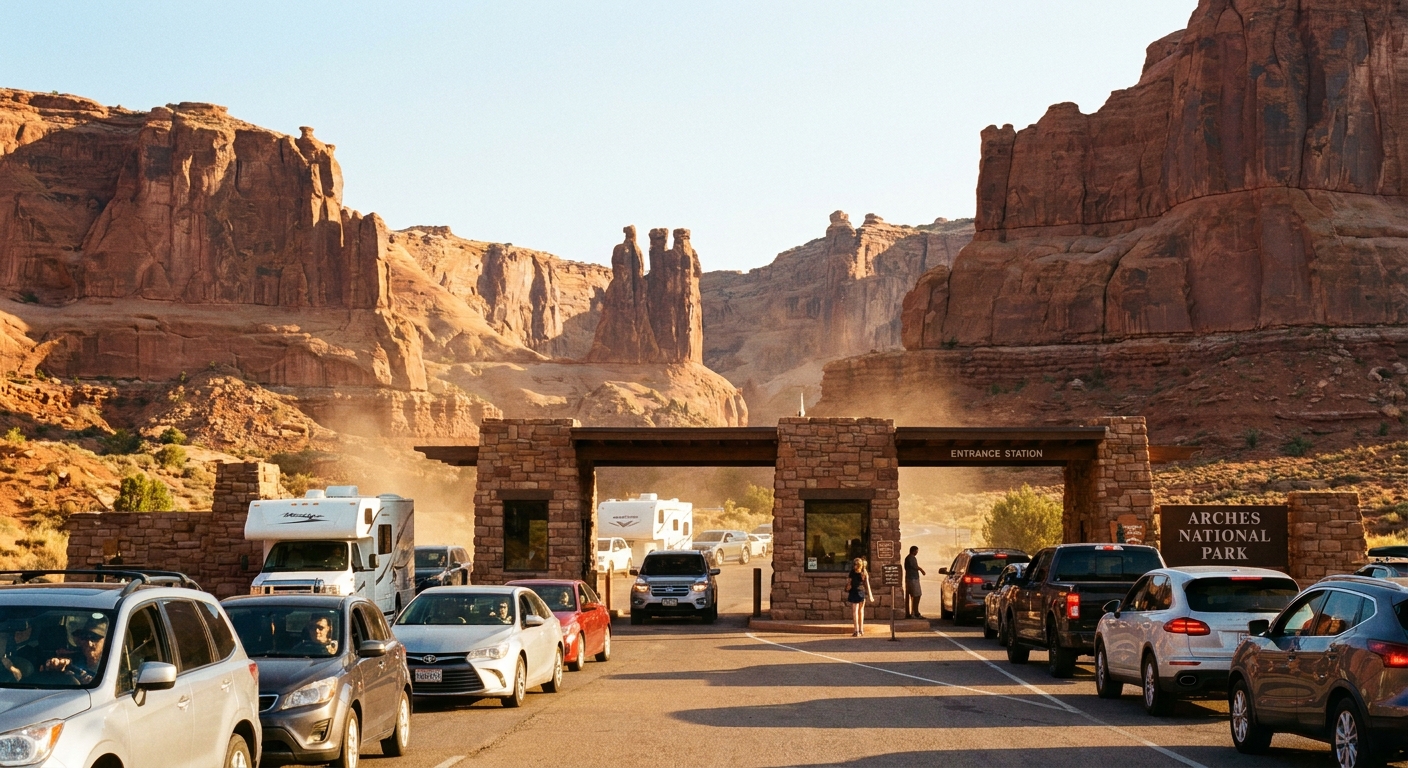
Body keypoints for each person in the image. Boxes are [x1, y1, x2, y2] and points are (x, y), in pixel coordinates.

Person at [39, 615, 108, 685]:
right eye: (85, 637)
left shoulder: (112, 664)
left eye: (95, 638)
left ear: (107, 641)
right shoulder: (74, 660)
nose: (89, 643)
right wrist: (56, 667)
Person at [847, 558, 874, 637]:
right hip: (857, 592)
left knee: (857, 611)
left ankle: (858, 630)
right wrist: (870, 595)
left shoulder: (859, 572)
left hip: (858, 592)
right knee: (858, 611)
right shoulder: (861, 572)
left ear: (858, 565)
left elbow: (867, 584)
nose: (854, 566)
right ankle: (859, 630)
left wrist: (870, 595)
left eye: (855, 564)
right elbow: (867, 584)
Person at [904, 546, 927, 619]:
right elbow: (915, 566)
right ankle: (915, 612)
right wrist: (921, 570)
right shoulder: (911, 558)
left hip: (912, 578)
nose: (917, 552)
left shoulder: (909, 558)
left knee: (915, 595)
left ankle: (913, 612)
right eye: (916, 551)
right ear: (913, 551)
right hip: (912, 579)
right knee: (917, 595)